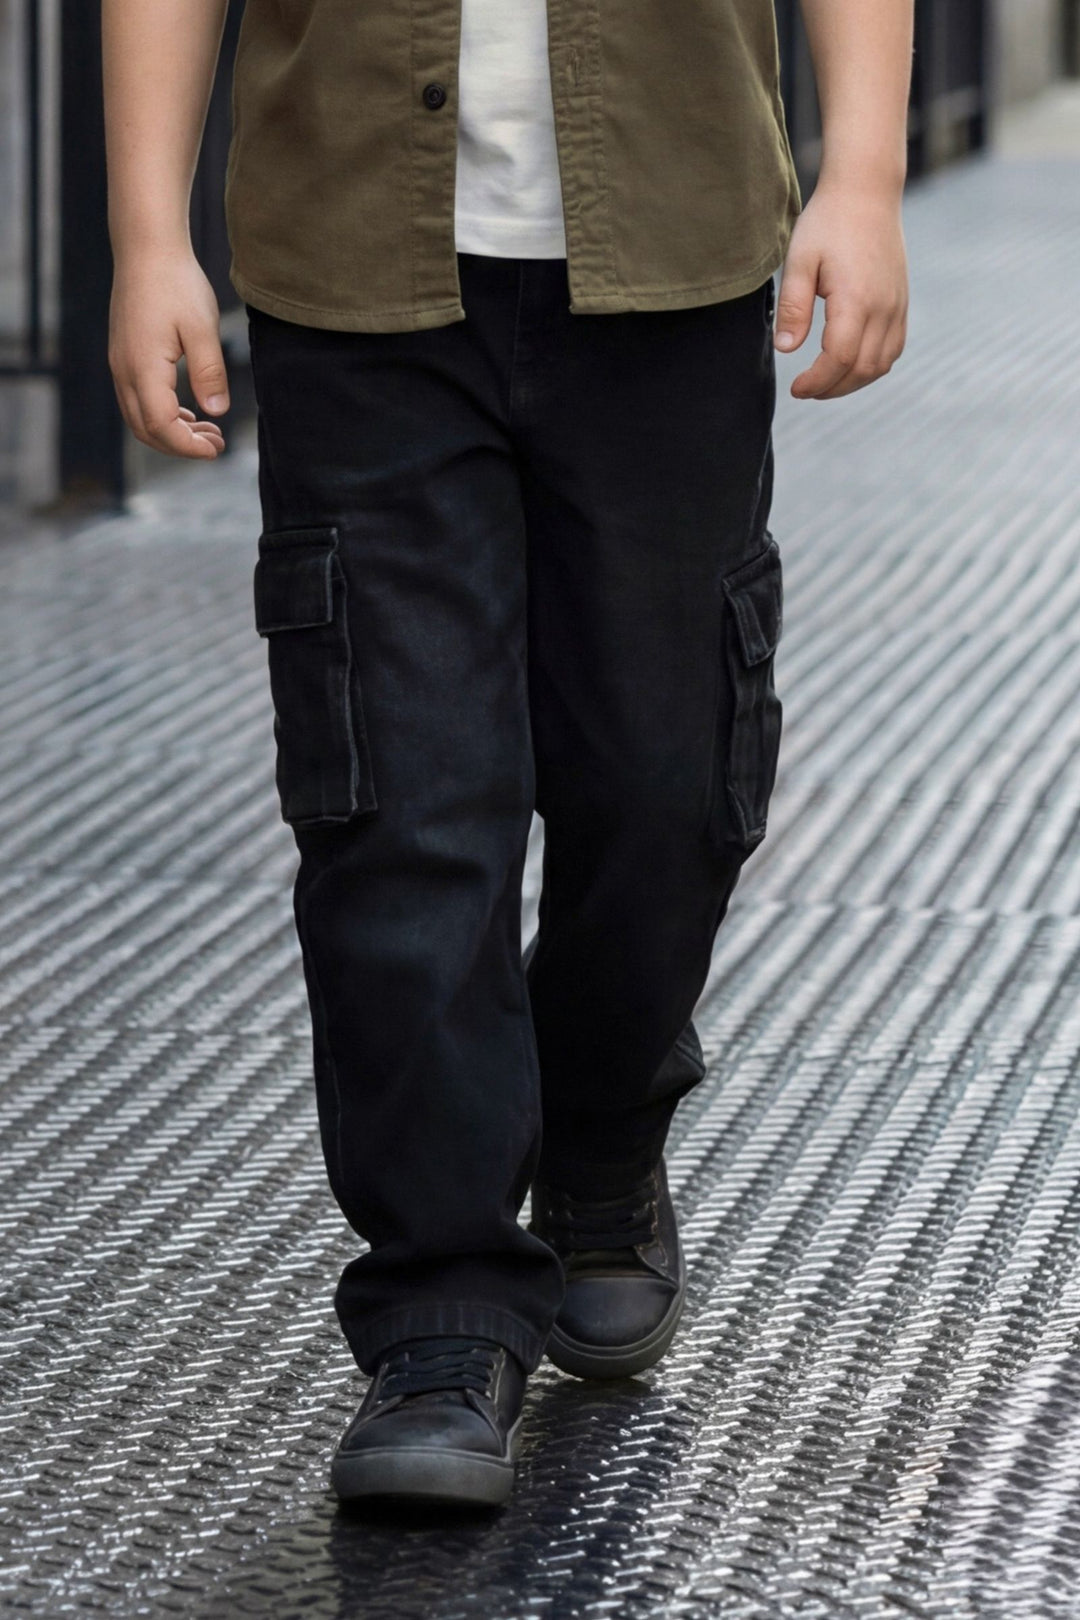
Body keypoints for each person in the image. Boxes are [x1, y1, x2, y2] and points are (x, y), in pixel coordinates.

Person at [104, 0, 911, 1510]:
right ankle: (443, 1309)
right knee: (401, 803)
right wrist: (150, 236)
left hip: (675, 241)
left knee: (668, 785)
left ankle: (602, 1127)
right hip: (356, 266)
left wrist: (862, 176)